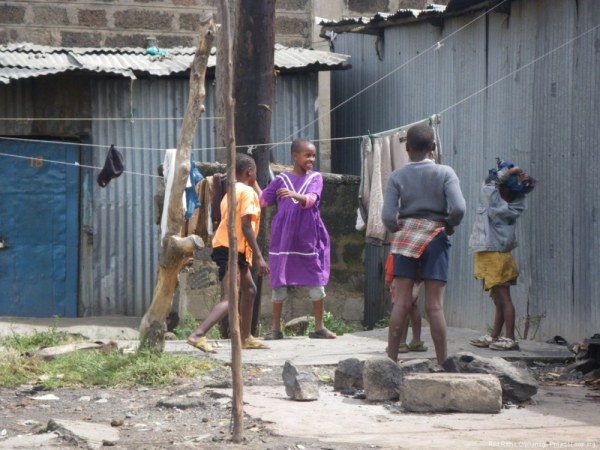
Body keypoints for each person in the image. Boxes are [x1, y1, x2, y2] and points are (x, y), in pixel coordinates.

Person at [381, 123, 466, 365]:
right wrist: (449, 225)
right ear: (433, 147)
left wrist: (399, 229)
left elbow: (387, 215)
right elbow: (459, 207)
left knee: (403, 301)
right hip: (435, 237)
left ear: (406, 148)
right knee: (434, 306)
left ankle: (391, 360)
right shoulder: (445, 173)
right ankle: (442, 363)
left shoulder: (397, 176)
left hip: (407, 237)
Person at [187, 153, 270, 353]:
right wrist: (259, 257)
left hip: (232, 248)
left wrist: (252, 178)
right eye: (254, 174)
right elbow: (246, 226)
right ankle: (197, 335)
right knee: (231, 297)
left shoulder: (231, 192)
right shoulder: (246, 193)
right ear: (250, 173)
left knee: (249, 290)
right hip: (232, 249)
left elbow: (263, 200)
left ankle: (246, 336)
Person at [260, 138, 336, 340]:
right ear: (295, 156)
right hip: (283, 238)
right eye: (307, 155)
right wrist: (247, 186)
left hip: (307, 237)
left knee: (316, 279)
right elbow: (262, 200)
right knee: (278, 281)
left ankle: (319, 327)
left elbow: (311, 200)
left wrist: (293, 194)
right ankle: (276, 329)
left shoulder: (316, 178)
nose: (311, 159)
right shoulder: (281, 179)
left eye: (313, 155)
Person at [468, 159, 535, 351]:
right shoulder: (514, 205)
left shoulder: (492, 201)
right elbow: (519, 191)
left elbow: (490, 182)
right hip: (499, 255)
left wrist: (510, 171)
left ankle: (510, 338)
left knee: (504, 300)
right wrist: (525, 182)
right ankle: (495, 336)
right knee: (498, 299)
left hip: (493, 256)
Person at [384, 253, 427, 353]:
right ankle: (416, 342)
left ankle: (400, 344)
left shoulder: (396, 251)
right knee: (413, 308)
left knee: (401, 309)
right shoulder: (416, 248)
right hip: (415, 279)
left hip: (400, 281)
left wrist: (387, 282)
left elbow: (391, 268)